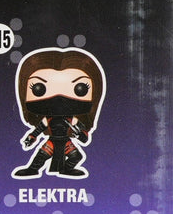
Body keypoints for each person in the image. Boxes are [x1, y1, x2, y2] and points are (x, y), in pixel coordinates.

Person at [12, 46, 105, 178]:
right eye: (38, 88)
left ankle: (66, 169)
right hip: (52, 141)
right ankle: (33, 169)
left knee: (76, 156)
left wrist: (81, 135)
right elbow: (38, 130)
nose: (59, 99)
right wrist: (31, 138)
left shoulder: (73, 120)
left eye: (80, 88)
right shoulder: (48, 120)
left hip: (66, 142)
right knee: (41, 156)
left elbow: (84, 134)